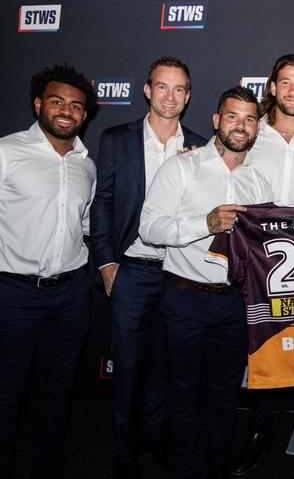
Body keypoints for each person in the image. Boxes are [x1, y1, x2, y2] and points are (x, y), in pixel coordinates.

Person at [139, 86, 273, 479]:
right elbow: (150, 227)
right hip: (185, 299)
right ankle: (182, 470)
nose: (241, 125)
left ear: (256, 128)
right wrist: (206, 224)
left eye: (250, 119)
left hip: (234, 304)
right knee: (181, 395)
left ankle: (215, 468)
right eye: (232, 116)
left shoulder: (259, 183)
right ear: (216, 121)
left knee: (224, 396)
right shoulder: (182, 167)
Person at [90, 56, 206, 479]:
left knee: (167, 367)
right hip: (132, 271)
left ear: (188, 96)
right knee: (128, 369)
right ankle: (124, 455)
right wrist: (106, 263)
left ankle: (155, 441)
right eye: (162, 87)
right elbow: (101, 204)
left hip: (179, 274)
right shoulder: (116, 139)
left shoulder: (200, 147)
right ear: (147, 90)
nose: (170, 96)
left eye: (179, 89)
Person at [232, 54, 294, 479]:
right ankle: (259, 434)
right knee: (262, 351)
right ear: (271, 87)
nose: (293, 90)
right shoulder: (249, 132)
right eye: (285, 82)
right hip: (257, 260)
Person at [0, 64, 98, 479]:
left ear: (84, 115)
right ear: (39, 104)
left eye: (76, 106)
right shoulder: (6, 151)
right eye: (57, 101)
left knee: (58, 393)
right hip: (12, 294)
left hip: (70, 295)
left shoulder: (86, 166)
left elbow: (87, 226)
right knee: (6, 393)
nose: (66, 111)